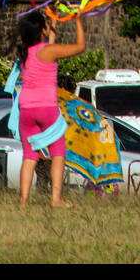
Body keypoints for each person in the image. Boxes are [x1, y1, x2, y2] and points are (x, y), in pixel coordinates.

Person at [17, 11, 85, 208]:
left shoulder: (25, 52)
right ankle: (55, 199)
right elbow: (80, 47)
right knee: (58, 152)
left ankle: (23, 201)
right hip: (46, 107)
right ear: (41, 30)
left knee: (29, 156)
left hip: (26, 109)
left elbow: (47, 47)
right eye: (46, 24)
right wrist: (78, 21)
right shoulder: (49, 50)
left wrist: (52, 25)